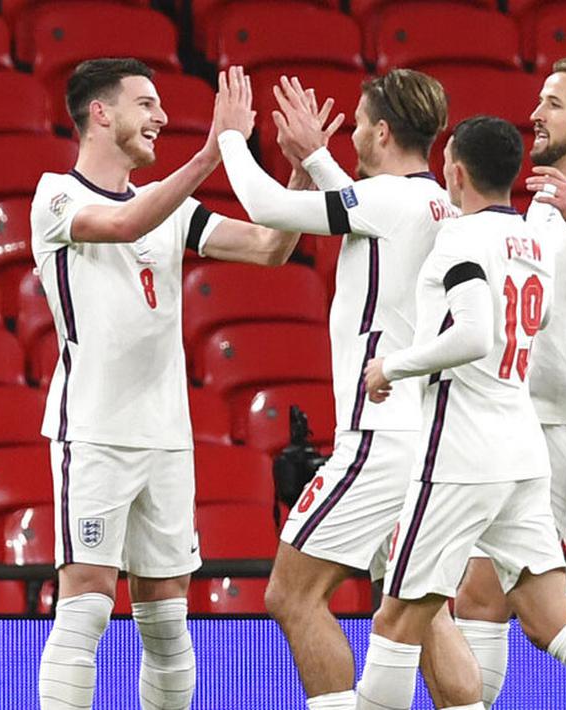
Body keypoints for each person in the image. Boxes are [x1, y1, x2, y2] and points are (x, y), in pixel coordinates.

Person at [31, 59, 308, 710]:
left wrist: (296, 173)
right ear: (101, 113)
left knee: (166, 620)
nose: (160, 117)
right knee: (87, 607)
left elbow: (271, 246)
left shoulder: (174, 209)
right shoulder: (57, 196)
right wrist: (215, 150)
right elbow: (124, 225)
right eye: (146, 104)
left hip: (166, 436)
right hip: (93, 428)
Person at [213, 66, 481, 709]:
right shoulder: (436, 201)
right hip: (433, 440)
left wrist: (228, 138)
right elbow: (365, 212)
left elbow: (269, 209)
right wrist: (315, 157)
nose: (352, 133)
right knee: (418, 606)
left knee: (292, 594)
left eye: (359, 123)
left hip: (380, 436)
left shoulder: (388, 201)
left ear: (382, 131)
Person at [357, 115, 566, 710]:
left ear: (454, 171)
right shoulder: (529, 239)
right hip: (523, 452)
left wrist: (392, 366)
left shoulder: (460, 237)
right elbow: (540, 317)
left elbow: (475, 334)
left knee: (396, 623)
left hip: (461, 452)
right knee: (560, 623)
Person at [451, 55, 566, 706]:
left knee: (553, 610)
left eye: (553, 103)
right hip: (529, 423)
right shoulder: (540, 199)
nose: (535, 113)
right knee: (481, 594)